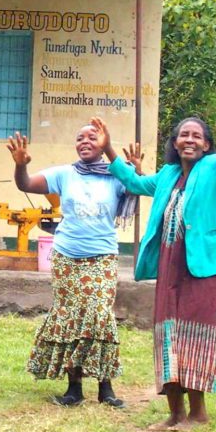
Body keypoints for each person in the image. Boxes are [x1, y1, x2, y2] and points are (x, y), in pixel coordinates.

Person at [91, 97, 216, 430]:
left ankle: (198, 414)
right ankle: (175, 413)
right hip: (169, 266)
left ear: (207, 144)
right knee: (168, 335)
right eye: (183, 135)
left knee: (196, 335)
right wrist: (109, 150)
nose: (189, 140)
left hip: (204, 267)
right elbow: (135, 183)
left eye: (197, 136)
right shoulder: (167, 175)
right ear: (175, 143)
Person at [9, 125, 138, 407]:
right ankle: (74, 389)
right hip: (66, 256)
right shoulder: (64, 174)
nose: (85, 142)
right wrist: (20, 166)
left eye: (92, 137)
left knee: (99, 316)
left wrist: (133, 168)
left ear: (104, 142)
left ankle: (106, 388)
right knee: (71, 318)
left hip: (102, 256)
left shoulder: (116, 174)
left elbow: (134, 187)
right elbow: (26, 184)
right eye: (80, 138)